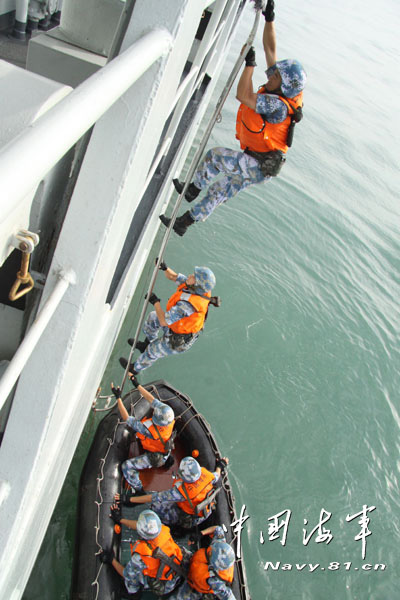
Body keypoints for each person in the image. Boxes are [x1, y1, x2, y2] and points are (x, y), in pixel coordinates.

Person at [159, 0, 307, 236]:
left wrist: (249, 65)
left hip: (259, 164)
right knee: (221, 189)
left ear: (285, 86)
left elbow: (243, 95)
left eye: (276, 76)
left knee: (215, 157)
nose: (271, 76)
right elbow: (271, 51)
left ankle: (191, 190)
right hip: (260, 163)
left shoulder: (278, 106)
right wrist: (270, 19)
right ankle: (184, 222)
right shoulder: (283, 88)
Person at [119, 262, 217, 374]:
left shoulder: (187, 306)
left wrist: (155, 301)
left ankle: (134, 369)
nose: (190, 275)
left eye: (194, 276)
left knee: (153, 351)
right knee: (153, 317)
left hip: (178, 340)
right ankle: (146, 343)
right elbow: (173, 276)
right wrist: (164, 268)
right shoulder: (192, 287)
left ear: (197, 285)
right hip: (174, 326)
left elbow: (164, 321)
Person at [117, 456, 228, 530]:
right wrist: (220, 465)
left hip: (189, 516)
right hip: (205, 512)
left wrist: (129, 499)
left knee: (155, 507)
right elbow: (217, 475)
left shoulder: (181, 492)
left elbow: (155, 497)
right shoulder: (208, 475)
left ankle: (174, 525)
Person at [100, 508, 190, 598]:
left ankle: (134, 594)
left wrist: (111, 559)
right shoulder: (163, 530)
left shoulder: (140, 556)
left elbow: (126, 574)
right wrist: (121, 519)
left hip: (165, 584)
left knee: (131, 577)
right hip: (178, 572)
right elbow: (143, 527)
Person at [110, 376, 175, 494]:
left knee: (127, 466)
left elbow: (127, 419)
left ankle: (139, 489)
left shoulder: (149, 431)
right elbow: (151, 399)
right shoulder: (168, 414)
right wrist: (137, 384)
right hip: (164, 446)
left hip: (155, 455)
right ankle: (167, 459)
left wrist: (118, 398)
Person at [170, 525, 237, 600]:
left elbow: (228, 596)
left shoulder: (216, 581)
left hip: (195, 586)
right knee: (172, 549)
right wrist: (201, 534)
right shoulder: (218, 545)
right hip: (193, 561)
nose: (211, 548)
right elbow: (217, 529)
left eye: (211, 553)